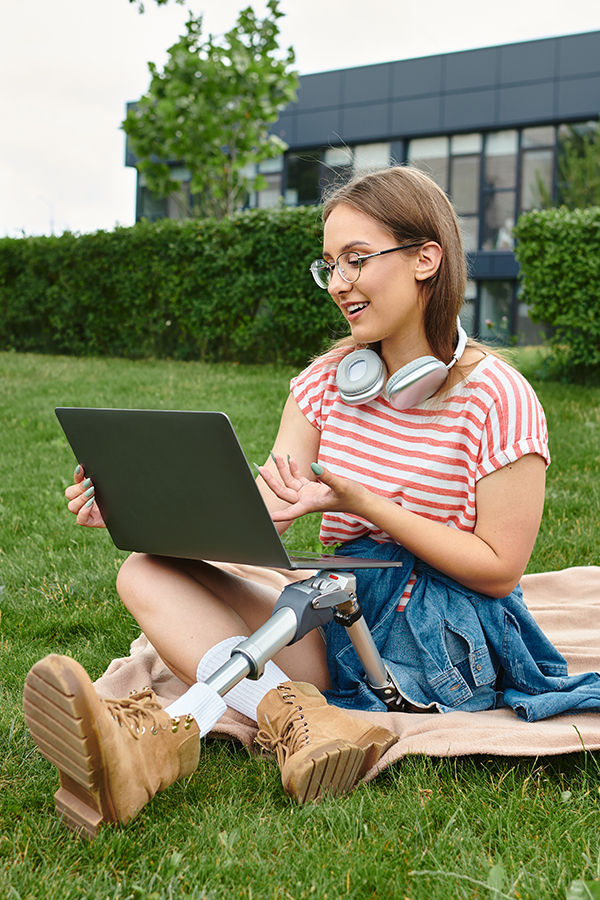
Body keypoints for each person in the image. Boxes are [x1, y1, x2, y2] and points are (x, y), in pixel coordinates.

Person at [25, 165, 578, 839]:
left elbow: (499, 569)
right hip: (341, 603)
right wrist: (137, 508)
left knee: (268, 610)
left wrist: (364, 503)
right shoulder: (325, 383)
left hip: (444, 633)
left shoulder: (499, 397)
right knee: (143, 570)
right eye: (329, 265)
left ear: (426, 259)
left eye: (357, 259)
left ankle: (175, 735)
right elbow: (262, 512)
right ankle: (283, 721)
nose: (339, 283)